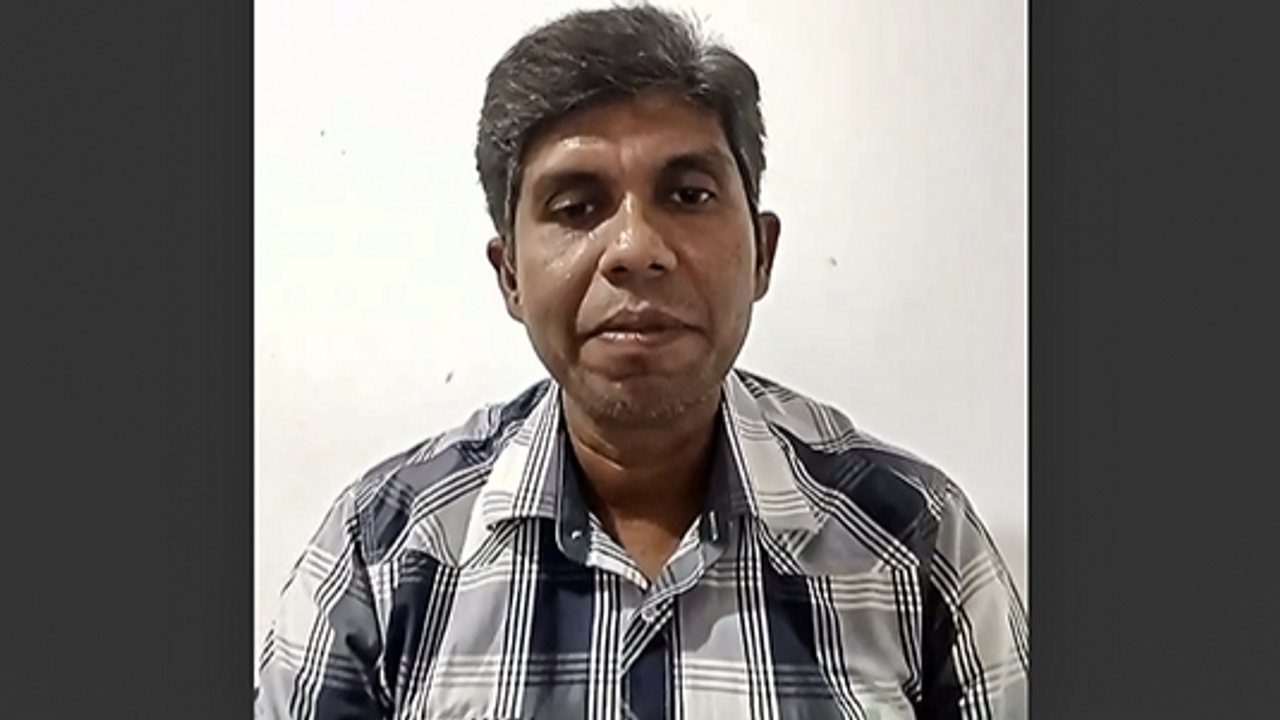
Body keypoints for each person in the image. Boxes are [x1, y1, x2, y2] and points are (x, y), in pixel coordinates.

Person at [255, 5, 1028, 719]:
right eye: (577, 207)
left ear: (762, 254)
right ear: (511, 274)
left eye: (688, 196)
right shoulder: (382, 552)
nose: (635, 249)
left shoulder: (914, 540)